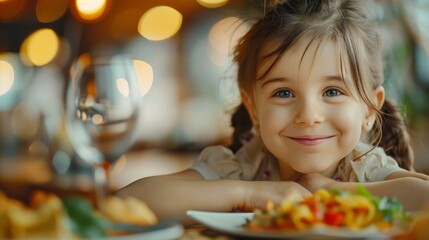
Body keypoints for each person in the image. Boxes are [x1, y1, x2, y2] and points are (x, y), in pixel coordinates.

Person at [117, 0, 429, 225]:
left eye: (332, 92)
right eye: (283, 93)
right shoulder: (245, 167)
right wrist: (248, 194)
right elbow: (128, 202)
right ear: (253, 107)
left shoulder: (363, 170)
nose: (309, 115)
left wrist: (334, 192)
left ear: (369, 109)